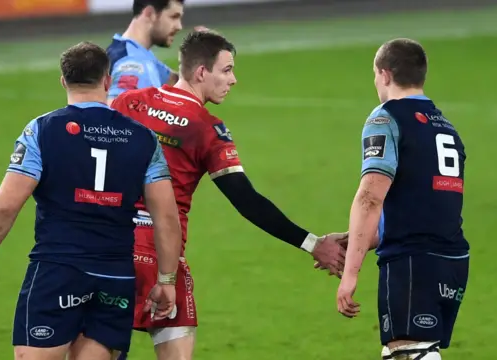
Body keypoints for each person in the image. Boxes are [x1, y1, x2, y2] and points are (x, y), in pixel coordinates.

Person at [110, 31, 347, 360]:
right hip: (160, 250)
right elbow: (246, 200)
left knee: (101, 346)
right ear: (202, 72)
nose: (233, 80)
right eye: (227, 70)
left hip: (106, 243)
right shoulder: (207, 128)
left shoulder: (130, 102)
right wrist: (312, 243)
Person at [0, 41, 182, 360]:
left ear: (63, 81)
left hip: (58, 271)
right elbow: (166, 217)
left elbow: (7, 204)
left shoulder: (42, 130)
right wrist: (166, 279)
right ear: (108, 80)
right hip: (115, 275)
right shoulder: (143, 138)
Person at [335, 38, 470, 360]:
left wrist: (350, 274)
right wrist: (357, 239)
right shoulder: (445, 128)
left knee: (409, 352)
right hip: (451, 262)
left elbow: (370, 197)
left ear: (384, 74)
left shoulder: (386, 118)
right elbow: (422, 203)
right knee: (410, 351)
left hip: (412, 261)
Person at [106, 0, 208, 105]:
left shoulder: (138, 53)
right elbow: (114, 113)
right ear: (150, 14)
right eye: (173, 17)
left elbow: (178, 84)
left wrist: (198, 56)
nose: (179, 26)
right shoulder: (132, 65)